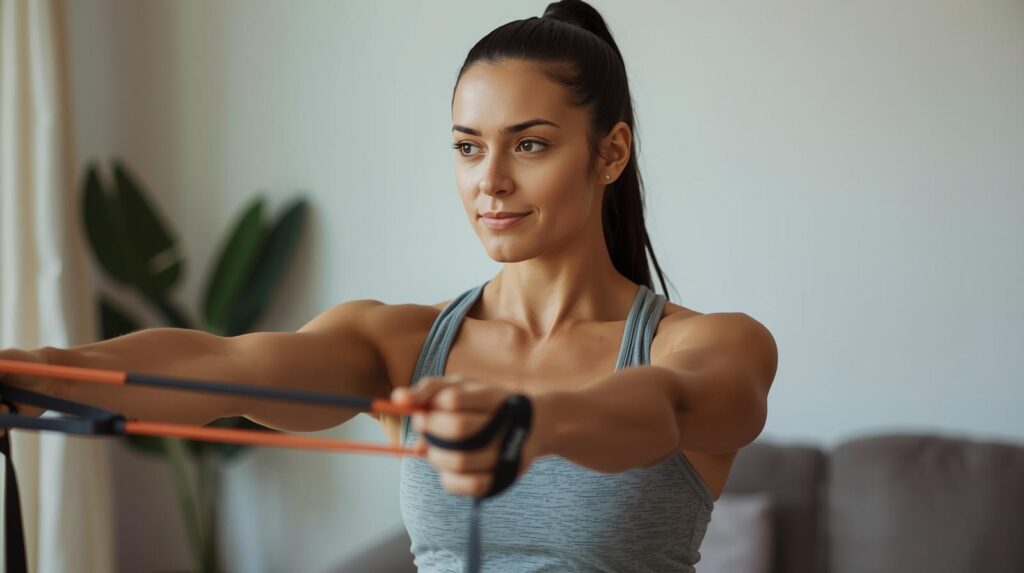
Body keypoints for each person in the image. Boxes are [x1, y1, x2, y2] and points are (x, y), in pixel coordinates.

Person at [0, 1, 777, 571]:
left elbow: (664, 407)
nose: (491, 182)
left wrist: (531, 420)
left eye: (530, 145)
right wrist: (36, 373)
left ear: (609, 154)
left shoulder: (709, 344)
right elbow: (220, 366)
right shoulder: (402, 344)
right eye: (469, 148)